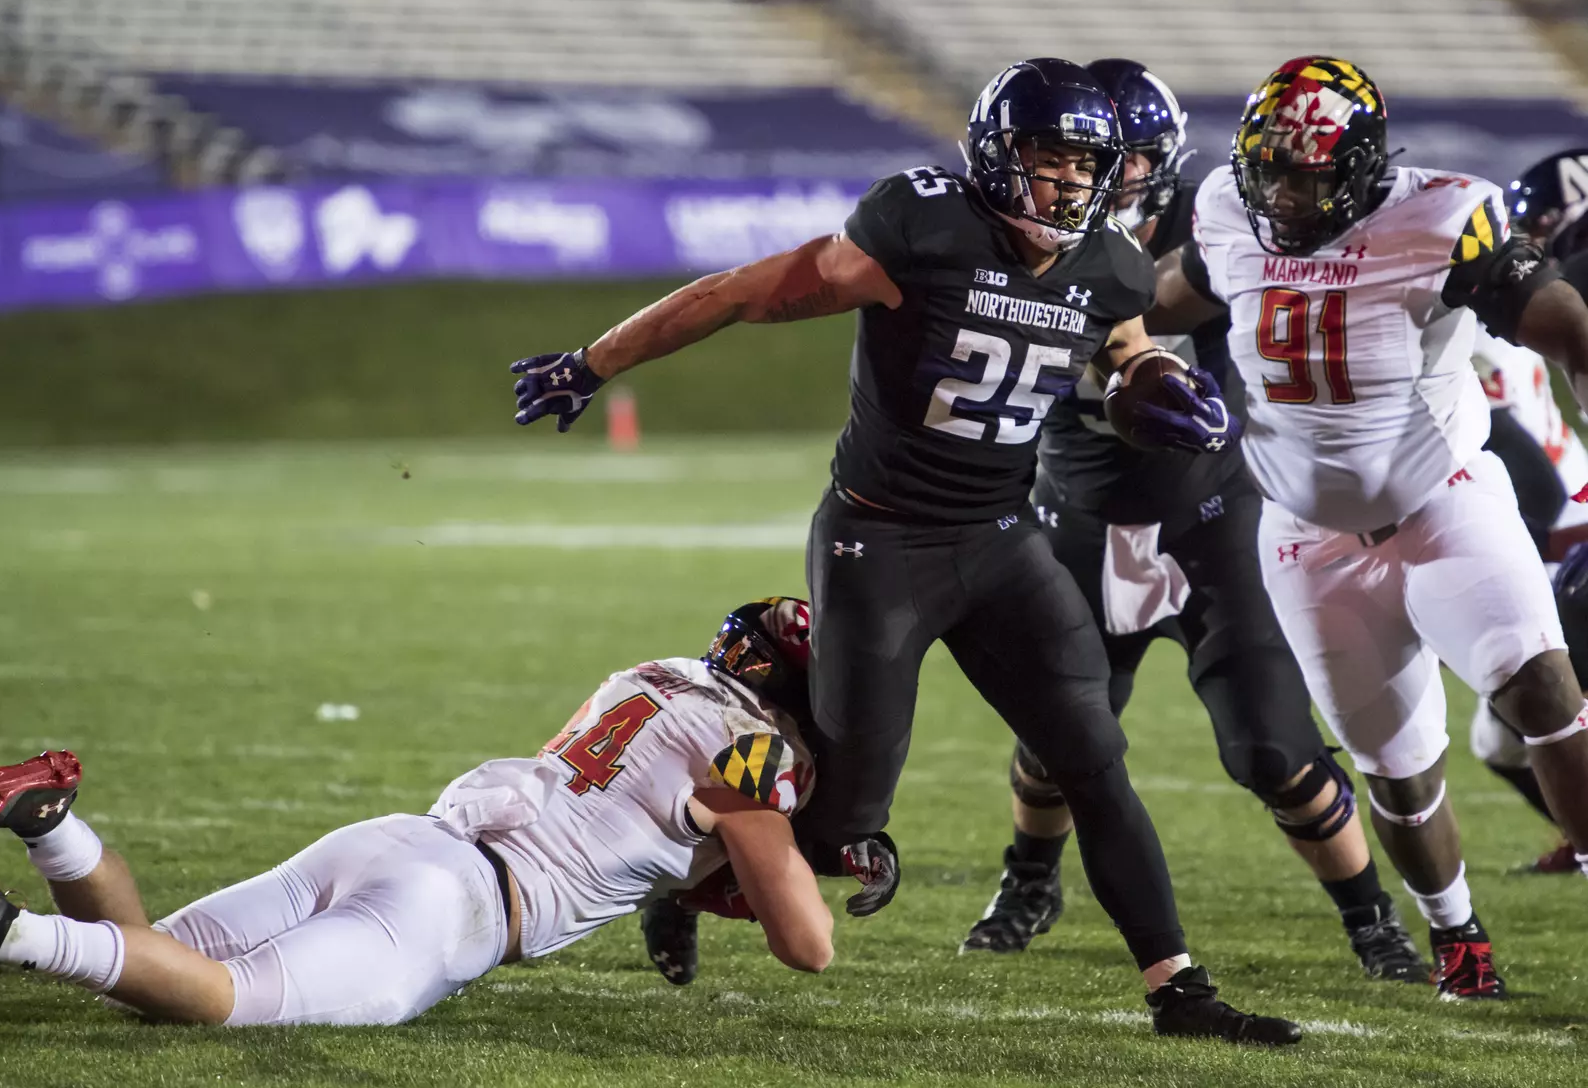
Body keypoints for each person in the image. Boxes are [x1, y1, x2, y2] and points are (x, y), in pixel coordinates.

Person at [513, 57, 1300, 1045]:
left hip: (1001, 538)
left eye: (1085, 163)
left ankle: (1178, 988)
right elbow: (735, 293)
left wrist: (1151, 387)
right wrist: (592, 362)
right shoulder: (918, 227)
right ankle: (683, 881)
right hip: (878, 540)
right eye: (1048, 159)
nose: (1067, 182)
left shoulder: (1112, 265)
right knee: (846, 819)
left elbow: (1124, 353)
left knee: (1093, 756)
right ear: (996, 154)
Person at [961, 58, 1426, 987]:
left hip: (1213, 515)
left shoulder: (1224, 228)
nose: (1104, 180)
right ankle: (1027, 883)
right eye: (1086, 158)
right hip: (1078, 515)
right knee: (1059, 735)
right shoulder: (1018, 234)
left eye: (1127, 162)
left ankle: (1374, 920)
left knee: (1272, 747)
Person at [1148, 55, 1588, 1001]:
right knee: (1396, 767)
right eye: (1272, 167)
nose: (1286, 191)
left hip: (1446, 502)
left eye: (1309, 171)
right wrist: (1115, 354)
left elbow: (1561, 322)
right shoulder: (1226, 208)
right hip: (1305, 537)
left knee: (1545, 689)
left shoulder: (1442, 214)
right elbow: (1163, 296)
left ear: (1359, 164)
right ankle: (1455, 932)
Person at [0, 599, 842, 1024]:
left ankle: (54, 826)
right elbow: (805, 946)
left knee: (142, 974)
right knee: (225, 998)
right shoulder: (750, 750)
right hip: (454, 908)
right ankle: (3, 932)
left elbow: (647, 831)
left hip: (401, 838)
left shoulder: (652, 678)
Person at [1465, 149, 1588, 872]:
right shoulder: (1538, 302)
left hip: (1551, 527)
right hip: (1553, 516)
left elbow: (1519, 461)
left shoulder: (1482, 317)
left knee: (1518, 722)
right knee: (1505, 733)